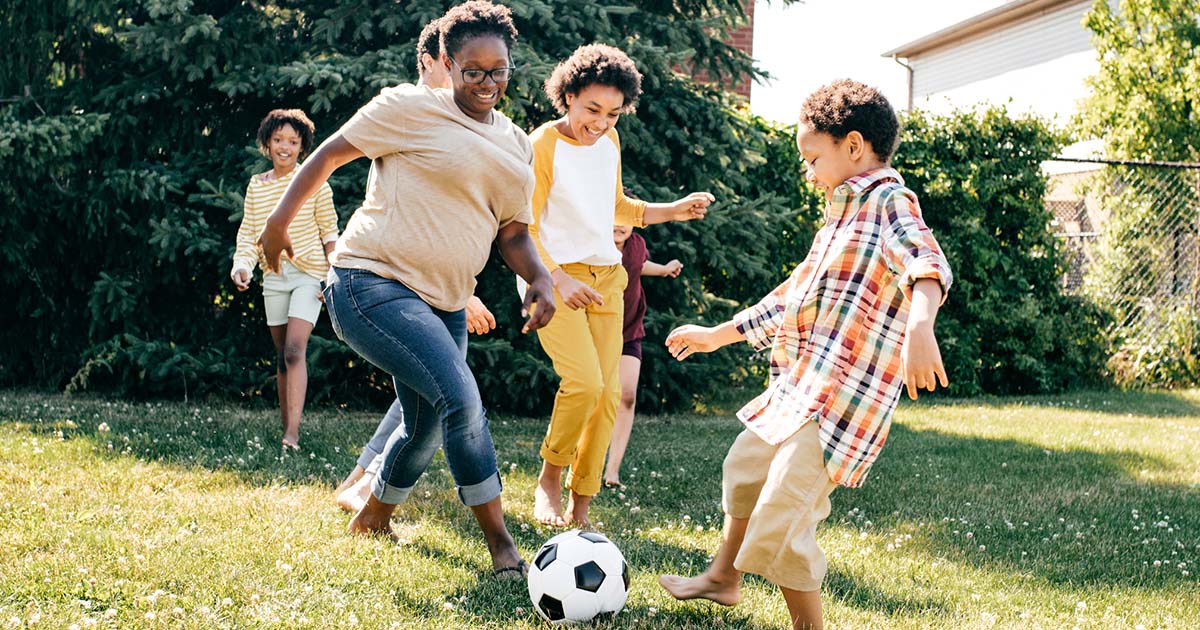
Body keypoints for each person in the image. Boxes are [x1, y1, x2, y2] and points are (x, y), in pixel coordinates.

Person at [260, 0, 554, 578]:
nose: (487, 83)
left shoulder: (517, 144)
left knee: (425, 424)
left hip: (444, 302)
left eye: (499, 71)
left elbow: (513, 232)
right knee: (461, 398)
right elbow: (328, 155)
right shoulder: (409, 107)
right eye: (473, 71)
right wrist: (277, 222)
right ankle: (501, 545)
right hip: (370, 283)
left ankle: (372, 517)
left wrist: (539, 276)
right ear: (446, 62)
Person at [657, 80, 953, 630]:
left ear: (854, 146)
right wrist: (718, 333)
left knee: (782, 521)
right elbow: (793, 298)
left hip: (839, 406)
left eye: (813, 158)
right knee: (744, 470)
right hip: (799, 390)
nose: (808, 172)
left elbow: (926, 263)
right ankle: (724, 577)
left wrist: (919, 324)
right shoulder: (837, 219)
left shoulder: (889, 202)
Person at [525, 43, 713, 529]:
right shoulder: (543, 146)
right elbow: (523, 226)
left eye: (613, 113)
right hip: (553, 280)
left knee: (609, 396)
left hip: (608, 280)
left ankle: (581, 505)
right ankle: (550, 476)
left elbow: (616, 207)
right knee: (584, 383)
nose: (601, 122)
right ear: (567, 95)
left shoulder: (609, 144)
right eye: (592, 109)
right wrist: (557, 279)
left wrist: (673, 209)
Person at [331, 14, 502, 514]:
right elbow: (410, 215)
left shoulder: (474, 125)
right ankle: (364, 484)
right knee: (444, 387)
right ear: (434, 63)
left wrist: (460, 287)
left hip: (436, 288)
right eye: (456, 70)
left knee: (427, 402)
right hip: (382, 279)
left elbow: (466, 216)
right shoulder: (409, 111)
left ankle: (367, 491)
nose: (464, 84)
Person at [230, 109, 338, 451]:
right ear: (267, 143)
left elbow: (330, 234)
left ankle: (293, 433)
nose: (285, 147)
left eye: (293, 141)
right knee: (281, 356)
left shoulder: (315, 182)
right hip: (274, 276)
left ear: (303, 146)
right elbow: (249, 234)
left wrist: (332, 276)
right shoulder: (257, 187)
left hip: (310, 274)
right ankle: (285, 429)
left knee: (295, 349)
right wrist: (241, 265)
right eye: (278, 140)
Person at [601, 223, 682, 489]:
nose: (620, 225)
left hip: (629, 330)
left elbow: (639, 265)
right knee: (595, 395)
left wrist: (665, 269)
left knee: (627, 396)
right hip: (599, 329)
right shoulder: (594, 241)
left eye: (626, 217)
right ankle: (583, 461)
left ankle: (612, 470)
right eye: (615, 216)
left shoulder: (636, 244)